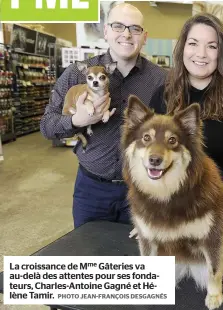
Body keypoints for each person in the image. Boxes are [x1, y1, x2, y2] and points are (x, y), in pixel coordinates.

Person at [40, 3, 167, 229]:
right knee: (90, 255)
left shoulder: (161, 80)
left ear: (144, 37)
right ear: (106, 31)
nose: (126, 34)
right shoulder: (77, 74)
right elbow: (47, 126)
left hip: (142, 190)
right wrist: (75, 121)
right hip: (91, 190)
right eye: (118, 26)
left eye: (135, 29)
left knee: (141, 260)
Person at [149, 13, 223, 258]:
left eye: (211, 46)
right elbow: (150, 160)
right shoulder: (163, 96)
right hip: (170, 214)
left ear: (221, 53)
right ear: (182, 48)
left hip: (218, 215)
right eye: (193, 43)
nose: (201, 54)